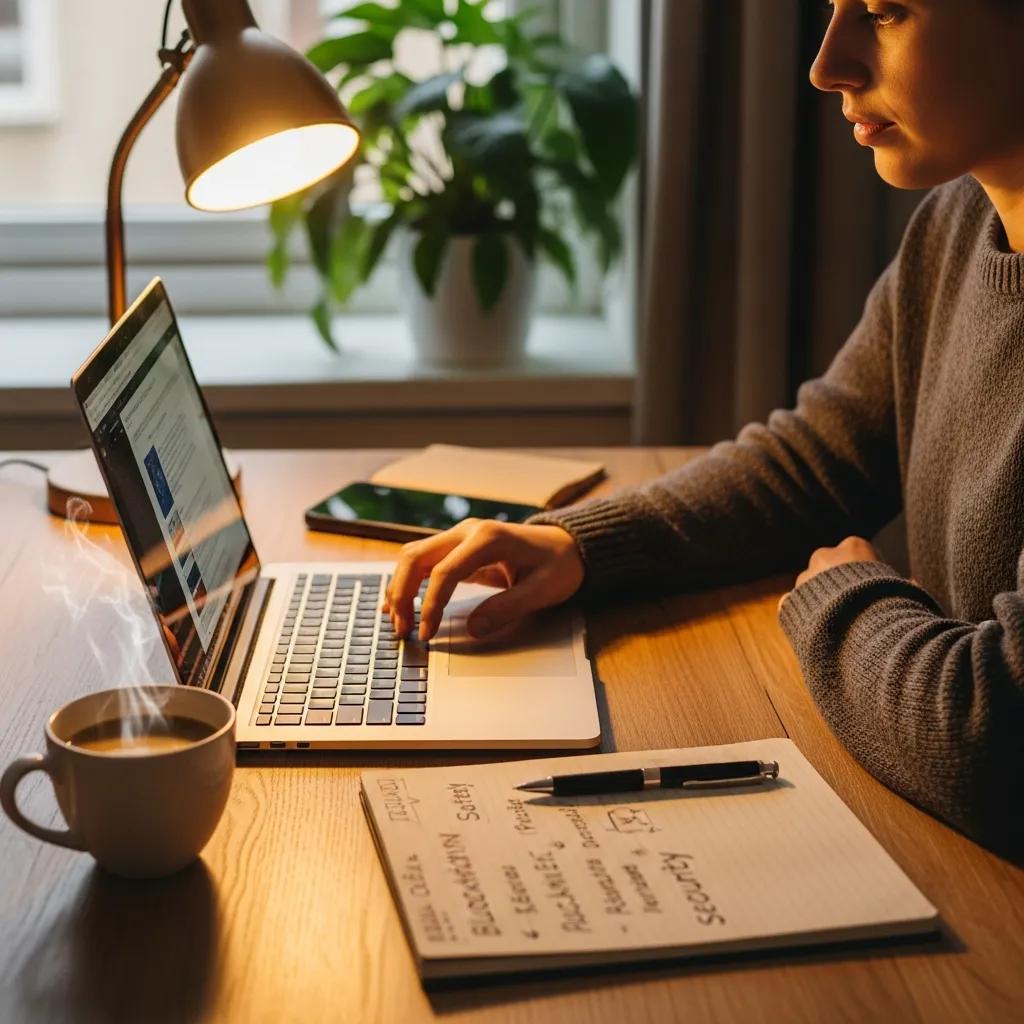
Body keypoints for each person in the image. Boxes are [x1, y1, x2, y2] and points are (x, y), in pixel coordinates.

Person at [384, 0, 1024, 857]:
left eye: (883, 11)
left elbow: (992, 740)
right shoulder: (956, 222)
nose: (827, 64)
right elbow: (817, 459)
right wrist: (580, 547)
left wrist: (846, 599)